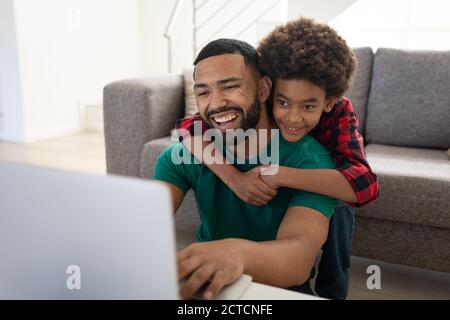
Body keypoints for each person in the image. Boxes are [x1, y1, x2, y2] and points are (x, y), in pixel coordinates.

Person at [175, 17, 379, 299]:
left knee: (337, 235)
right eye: (283, 103)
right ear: (269, 91)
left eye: (308, 105)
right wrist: (234, 179)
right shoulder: (264, 100)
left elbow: (364, 185)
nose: (292, 117)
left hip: (328, 180)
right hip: (283, 170)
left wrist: (279, 173)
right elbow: (187, 128)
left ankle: (332, 292)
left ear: (328, 101)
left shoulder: (339, 111)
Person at [153, 37, 340, 300]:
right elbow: (142, 227)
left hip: (278, 289)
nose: (216, 104)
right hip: (208, 285)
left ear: (263, 89)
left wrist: (238, 254)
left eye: (229, 87)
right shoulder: (182, 156)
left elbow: (299, 259)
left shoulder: (311, 162)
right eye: (203, 92)